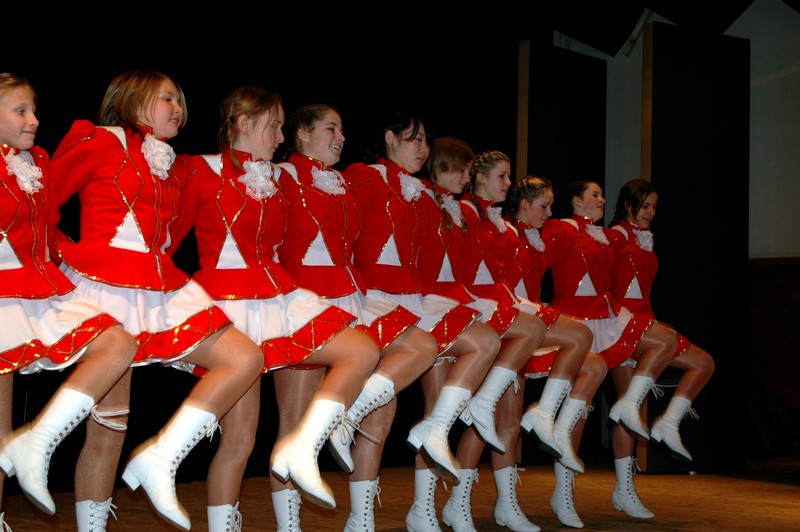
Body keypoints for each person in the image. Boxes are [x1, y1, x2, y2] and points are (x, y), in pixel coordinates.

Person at [46, 70, 265, 532]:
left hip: (153, 287)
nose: (179, 109)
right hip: (103, 289)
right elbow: (42, 201)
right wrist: (65, 256)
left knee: (243, 357)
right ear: (133, 98)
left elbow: (172, 232)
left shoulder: (169, 162)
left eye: (181, 101)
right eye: (168, 98)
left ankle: (162, 455)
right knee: (108, 428)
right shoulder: (101, 140)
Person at [172, 90, 380, 530]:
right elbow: (168, 238)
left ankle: (301, 476)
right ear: (244, 123)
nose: (281, 136)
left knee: (358, 352)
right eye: (274, 126)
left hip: (278, 303)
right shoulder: (201, 169)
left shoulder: (272, 179)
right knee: (239, 440)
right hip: (230, 311)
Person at [276, 103, 439, 531]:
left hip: (354, 303)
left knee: (385, 407)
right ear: (302, 133)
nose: (341, 137)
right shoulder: (283, 176)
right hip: (305, 305)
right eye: (331, 128)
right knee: (294, 426)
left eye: (343, 130)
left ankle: (360, 520)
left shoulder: (341, 183)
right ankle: (289, 527)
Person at [346, 112, 510, 531]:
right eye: (414, 139)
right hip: (376, 300)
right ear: (389, 139)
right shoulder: (364, 176)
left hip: (416, 302)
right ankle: (361, 519)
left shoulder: (421, 194)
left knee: (479, 348)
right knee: (380, 418)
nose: (422, 147)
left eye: (425, 141)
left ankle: (421, 506)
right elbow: (342, 230)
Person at [0, 72, 139, 531]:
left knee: (118, 343)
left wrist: (71, 255)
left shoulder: (36, 160)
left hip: (39, 287)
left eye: (34, 110)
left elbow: (46, 225)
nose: (35, 120)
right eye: (21, 111)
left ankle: (37, 440)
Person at [444, 156, 606, 532]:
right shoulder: (510, 235)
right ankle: (458, 501)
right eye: (543, 206)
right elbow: (499, 285)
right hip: (503, 327)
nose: (549, 213)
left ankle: (508, 502)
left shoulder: (530, 237)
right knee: (490, 424)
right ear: (524, 204)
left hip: (521, 329)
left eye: (551, 207)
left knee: (510, 425)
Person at [540, 178, 678, 527]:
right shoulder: (575, 230)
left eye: (602, 195)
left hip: (609, 321)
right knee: (579, 412)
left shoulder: (602, 235)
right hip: (578, 324)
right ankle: (564, 492)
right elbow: (538, 262)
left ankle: (625, 487)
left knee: (629, 406)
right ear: (576, 201)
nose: (602, 199)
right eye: (595, 194)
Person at [607, 178, 714, 487]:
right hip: (620, 326)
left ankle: (668, 423)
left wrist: (654, 323)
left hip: (646, 323)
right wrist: (619, 320)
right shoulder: (614, 236)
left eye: (654, 207)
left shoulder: (644, 238)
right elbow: (604, 286)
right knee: (628, 409)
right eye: (645, 206)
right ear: (628, 205)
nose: (651, 213)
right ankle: (625, 487)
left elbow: (642, 291)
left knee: (704, 363)